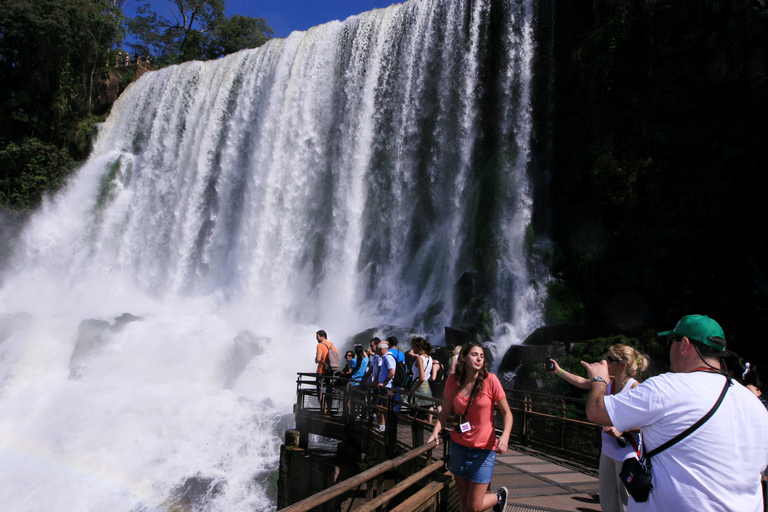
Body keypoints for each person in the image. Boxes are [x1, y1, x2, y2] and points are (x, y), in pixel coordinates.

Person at [583, 314, 768, 511]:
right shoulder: (754, 403)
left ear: (684, 344)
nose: (669, 348)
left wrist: (599, 380)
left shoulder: (668, 387)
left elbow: (596, 411)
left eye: (672, 341)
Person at [548, 345, 648, 512]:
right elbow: (581, 382)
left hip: (627, 454)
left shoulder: (635, 388)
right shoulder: (608, 383)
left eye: (609, 359)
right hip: (608, 450)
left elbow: (648, 422)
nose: (604, 362)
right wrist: (558, 371)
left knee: (626, 502)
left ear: (622, 364)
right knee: (608, 499)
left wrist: (623, 428)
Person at [428, 341, 513, 512]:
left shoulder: (491, 381)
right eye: (475, 354)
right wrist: (435, 431)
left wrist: (504, 436)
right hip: (459, 447)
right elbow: (444, 412)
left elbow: (507, 414)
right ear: (464, 358)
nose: (479, 358)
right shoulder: (453, 381)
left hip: (483, 450)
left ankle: (498, 497)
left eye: (481, 356)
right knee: (465, 503)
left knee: (474, 506)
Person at [314, 330, 338, 416]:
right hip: (330, 372)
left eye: (317, 337)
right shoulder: (332, 345)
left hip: (321, 371)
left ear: (322, 336)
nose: (316, 339)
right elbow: (337, 358)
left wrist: (316, 359)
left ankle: (323, 412)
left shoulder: (320, 345)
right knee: (328, 391)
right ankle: (329, 411)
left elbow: (318, 358)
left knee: (321, 392)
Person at [408, 337, 434, 419]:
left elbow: (421, 378)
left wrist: (413, 390)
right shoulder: (430, 358)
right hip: (426, 389)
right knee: (422, 417)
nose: (412, 349)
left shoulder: (420, 358)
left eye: (413, 346)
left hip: (418, 388)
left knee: (416, 416)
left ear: (419, 347)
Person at [375, 341, 396, 432]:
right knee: (385, 407)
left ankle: (389, 429)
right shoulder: (385, 358)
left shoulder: (388, 358)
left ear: (381, 349)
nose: (377, 353)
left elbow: (392, 372)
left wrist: (383, 383)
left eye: (377, 350)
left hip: (388, 387)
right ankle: (387, 428)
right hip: (385, 387)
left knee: (387, 408)